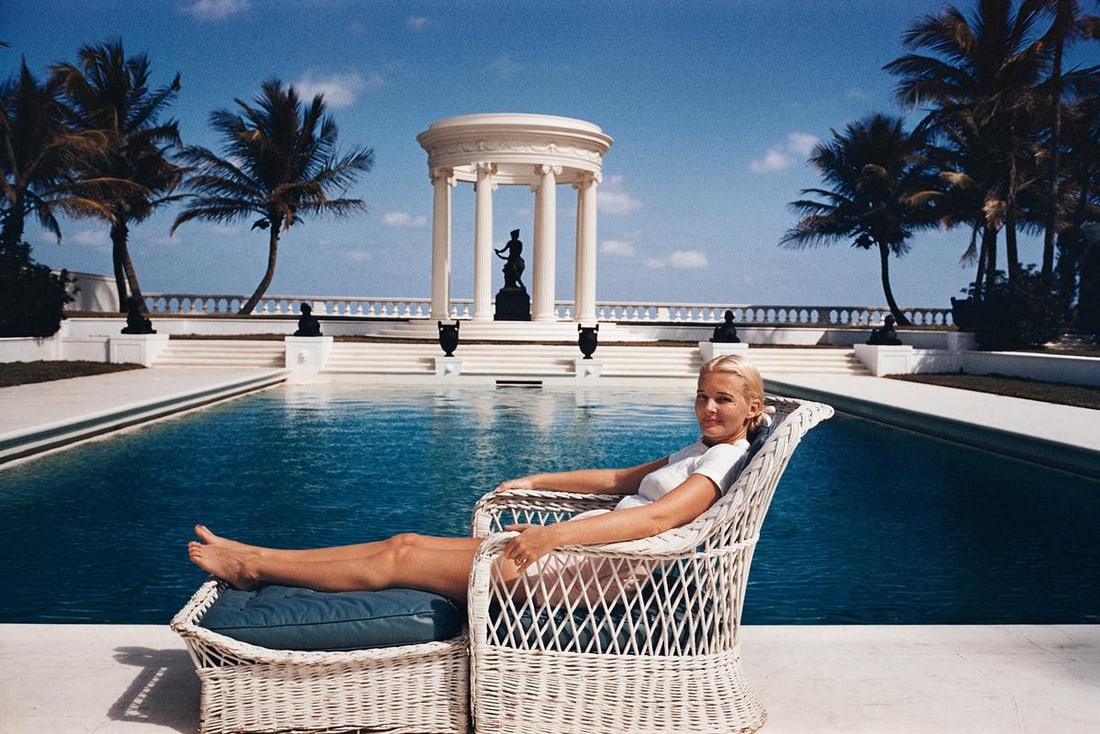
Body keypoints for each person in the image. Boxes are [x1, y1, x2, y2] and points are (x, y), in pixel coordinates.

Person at [188, 354, 767, 603]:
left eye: (723, 400)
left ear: (752, 409)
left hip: (591, 571)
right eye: (702, 398)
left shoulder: (721, 461)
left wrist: (551, 536)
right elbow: (618, 477)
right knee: (403, 544)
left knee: (398, 559)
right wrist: (538, 479)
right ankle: (254, 556)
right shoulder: (701, 447)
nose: (709, 409)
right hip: (581, 550)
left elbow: (662, 518)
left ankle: (252, 567)